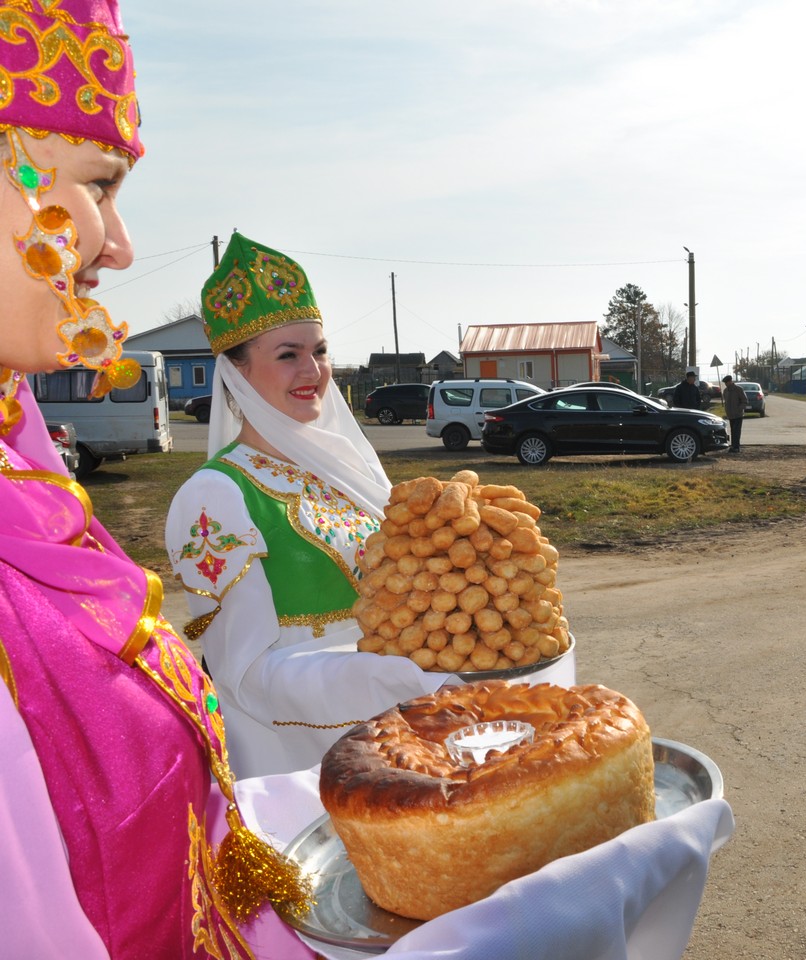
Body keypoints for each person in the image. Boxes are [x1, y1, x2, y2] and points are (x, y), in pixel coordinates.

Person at [0, 4, 319, 953]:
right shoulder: (217, 492)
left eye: (320, 351)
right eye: (100, 183)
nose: (122, 246)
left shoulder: (32, 487)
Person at [165, 234, 467, 779]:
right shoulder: (215, 497)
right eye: (288, 355)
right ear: (237, 373)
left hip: (404, 731)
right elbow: (246, 674)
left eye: (320, 350)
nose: (314, 370)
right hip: (302, 761)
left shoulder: (349, 468)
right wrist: (393, 676)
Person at [721, 373, 746, 452]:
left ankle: (736, 447)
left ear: (731, 381)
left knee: (737, 431)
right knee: (732, 431)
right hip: (730, 415)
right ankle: (733, 446)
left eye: (727, 382)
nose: (726, 384)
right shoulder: (725, 391)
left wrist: (739, 409)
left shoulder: (738, 389)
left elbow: (744, 401)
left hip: (738, 415)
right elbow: (726, 402)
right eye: (725, 383)